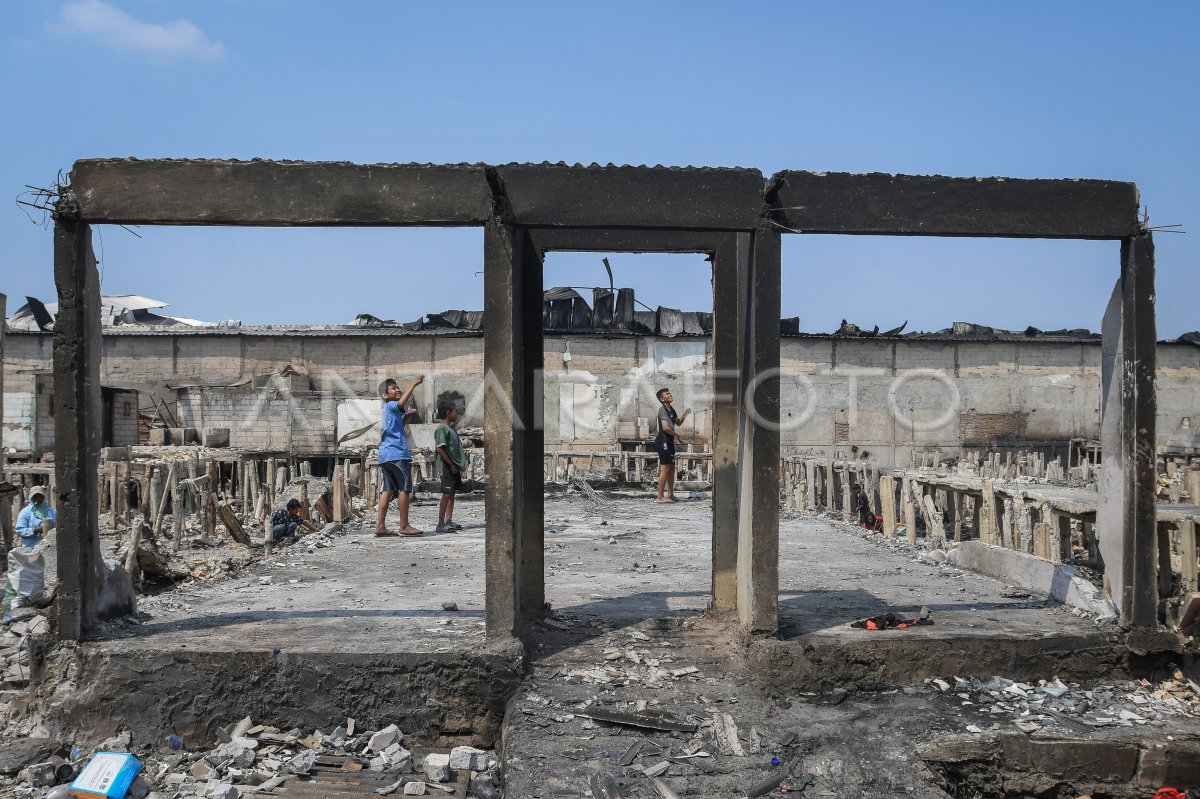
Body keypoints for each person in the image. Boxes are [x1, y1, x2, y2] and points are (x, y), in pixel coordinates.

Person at [376, 375, 425, 537]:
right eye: (393, 388)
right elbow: (401, 402)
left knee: (388, 490)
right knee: (404, 488)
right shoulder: (391, 405)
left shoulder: (390, 411)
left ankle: (380, 526)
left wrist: (408, 417)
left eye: (398, 387)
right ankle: (404, 525)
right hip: (396, 453)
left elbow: (398, 425)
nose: (398, 389)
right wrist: (413, 384)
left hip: (385, 455)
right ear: (385, 395)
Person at [434, 401, 468, 534]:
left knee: (452, 493)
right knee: (446, 493)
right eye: (454, 411)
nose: (457, 414)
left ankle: (448, 521)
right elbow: (440, 449)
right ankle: (440, 524)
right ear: (448, 413)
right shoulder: (441, 429)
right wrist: (451, 464)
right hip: (446, 466)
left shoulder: (451, 429)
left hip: (453, 466)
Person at [654, 388, 691, 503]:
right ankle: (660, 497)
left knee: (671, 468)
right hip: (663, 440)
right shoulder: (662, 410)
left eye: (670, 393)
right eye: (667, 394)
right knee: (665, 467)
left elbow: (678, 422)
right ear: (662, 399)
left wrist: (685, 413)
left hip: (669, 440)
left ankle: (670, 494)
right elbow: (665, 428)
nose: (670, 395)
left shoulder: (671, 409)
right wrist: (678, 436)